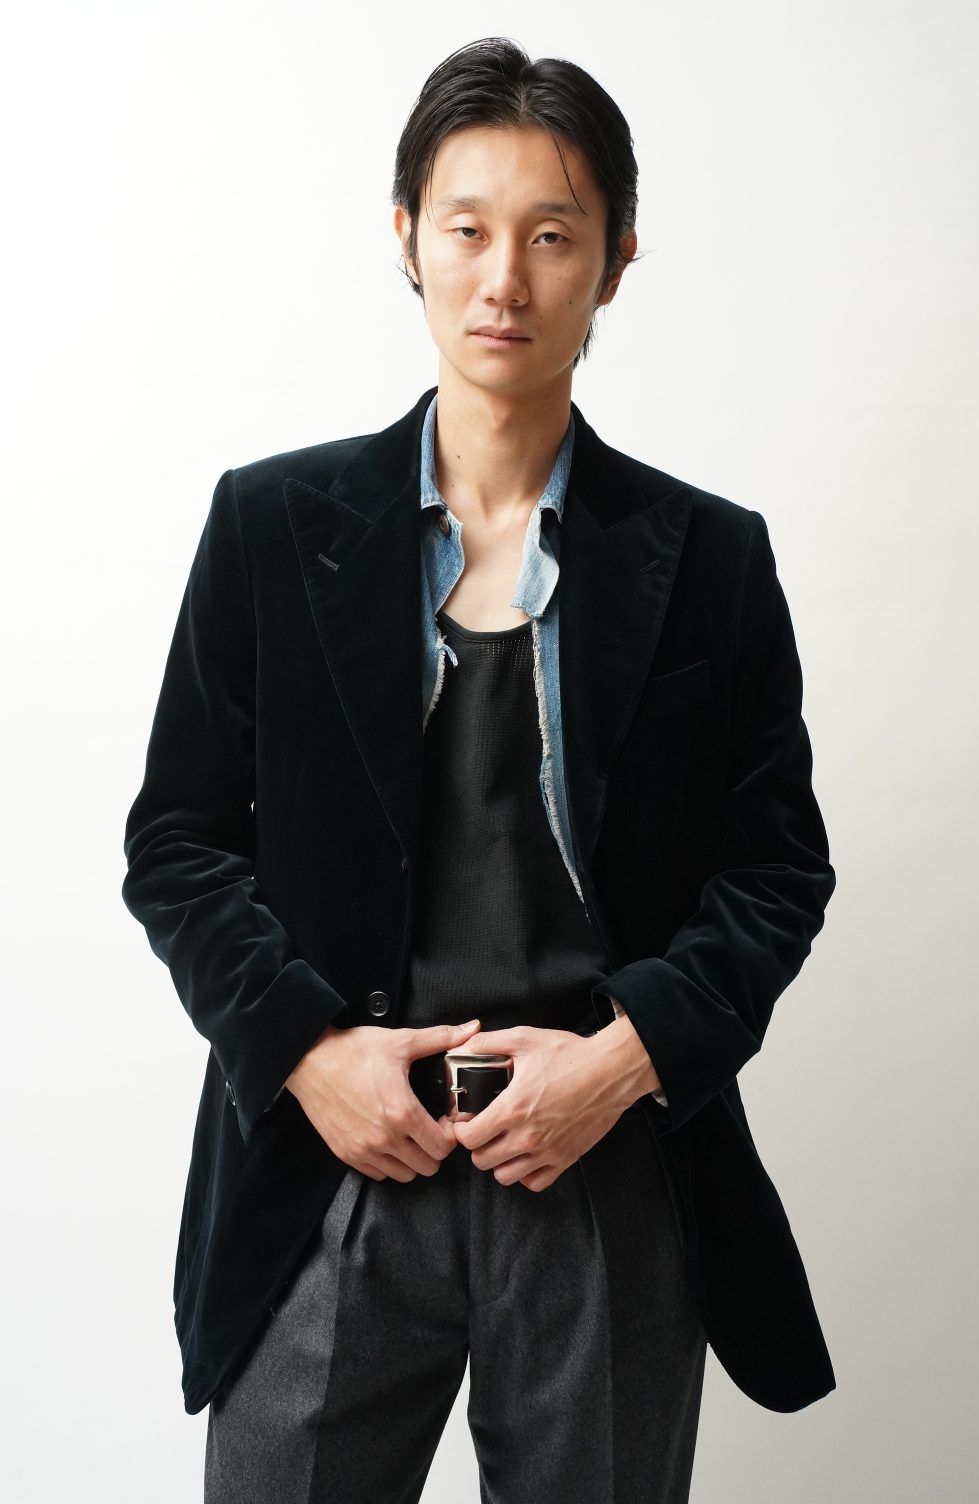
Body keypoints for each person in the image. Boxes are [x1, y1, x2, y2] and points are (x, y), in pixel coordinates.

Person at [121, 35, 837, 1504]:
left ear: (615, 262)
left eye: (552, 235)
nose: (505, 277)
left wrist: (625, 1062)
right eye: (467, 229)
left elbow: (776, 871)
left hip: (598, 1163)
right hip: (336, 1158)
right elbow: (178, 840)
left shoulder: (709, 559)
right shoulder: (271, 527)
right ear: (408, 239)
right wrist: (309, 1054)